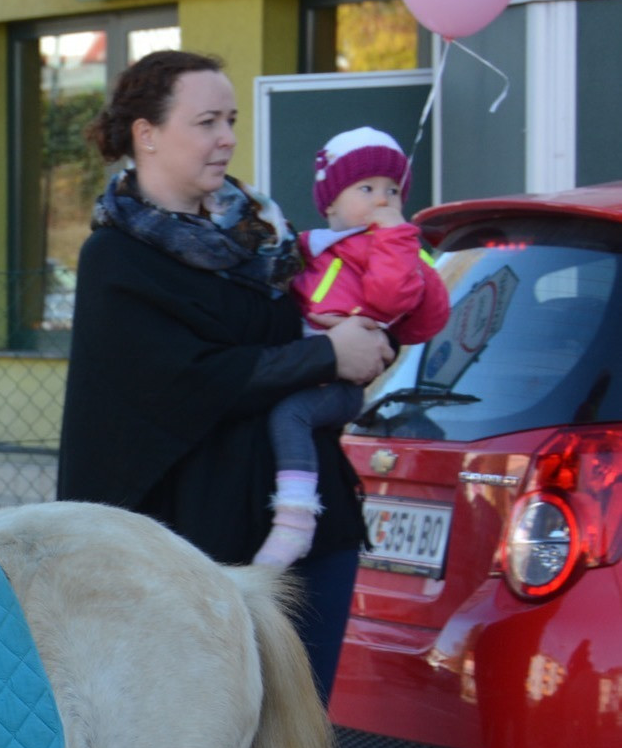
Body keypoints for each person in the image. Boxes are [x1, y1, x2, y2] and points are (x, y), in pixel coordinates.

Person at [57, 50, 395, 702]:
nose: (227, 139)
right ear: (146, 134)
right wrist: (327, 357)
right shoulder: (115, 259)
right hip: (196, 550)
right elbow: (186, 382)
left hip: (308, 525)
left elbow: (329, 318)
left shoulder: (266, 237)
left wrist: (374, 326)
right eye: (207, 121)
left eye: (231, 120)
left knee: (297, 741)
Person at [253, 126, 450, 567]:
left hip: (339, 381)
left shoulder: (388, 249)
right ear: (332, 201)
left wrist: (397, 239)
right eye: (367, 188)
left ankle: (295, 521)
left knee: (291, 415)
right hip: (309, 363)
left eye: (393, 189)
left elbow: (391, 300)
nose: (383, 199)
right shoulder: (316, 247)